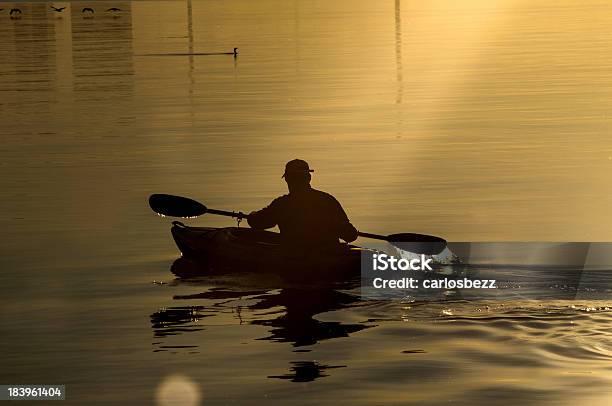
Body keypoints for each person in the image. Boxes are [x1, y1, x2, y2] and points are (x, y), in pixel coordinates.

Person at [247, 159, 358, 249]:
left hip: (295, 258)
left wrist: (252, 215)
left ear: (287, 180)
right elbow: (350, 235)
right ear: (309, 178)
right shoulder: (328, 201)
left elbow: (258, 222)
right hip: (329, 258)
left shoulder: (281, 204)